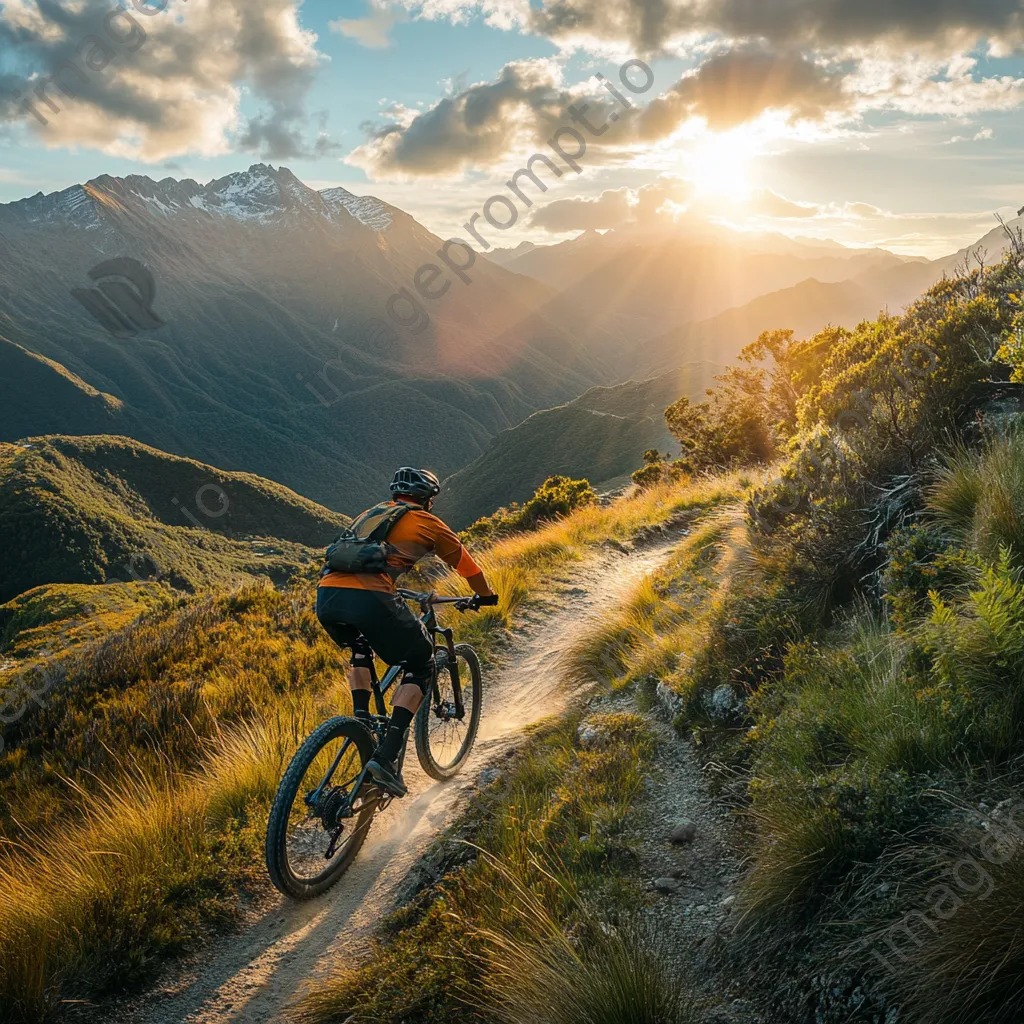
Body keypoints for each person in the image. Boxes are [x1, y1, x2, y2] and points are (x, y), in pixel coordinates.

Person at [316, 467, 495, 796]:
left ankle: (361, 725)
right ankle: (385, 758)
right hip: (371, 598)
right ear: (428, 501)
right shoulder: (429, 523)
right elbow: (470, 569)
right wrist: (486, 596)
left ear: (396, 495)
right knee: (421, 663)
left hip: (327, 596)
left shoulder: (371, 514)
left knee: (360, 648)